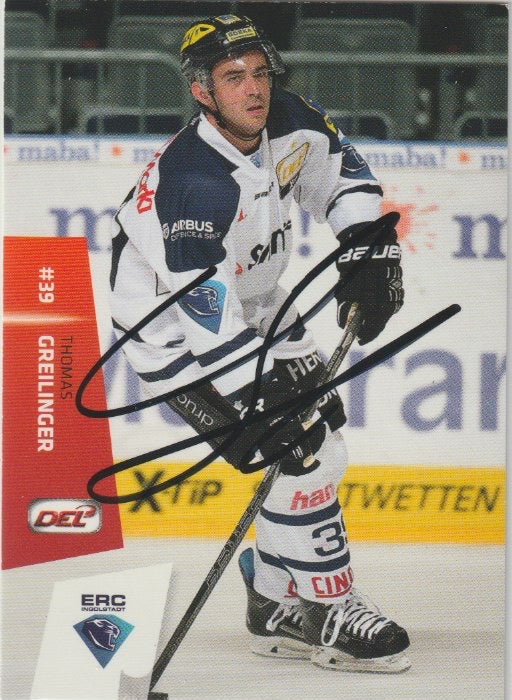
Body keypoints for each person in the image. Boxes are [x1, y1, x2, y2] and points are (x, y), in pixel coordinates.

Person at [109, 14, 408, 673]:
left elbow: (342, 179)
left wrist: (367, 247)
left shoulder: (290, 117)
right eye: (233, 77)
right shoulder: (194, 183)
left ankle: (273, 600)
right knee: (296, 449)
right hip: (172, 339)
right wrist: (261, 394)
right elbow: (206, 323)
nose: (254, 88)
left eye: (260, 72)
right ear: (202, 92)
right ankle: (329, 608)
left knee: (324, 439)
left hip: (258, 301)